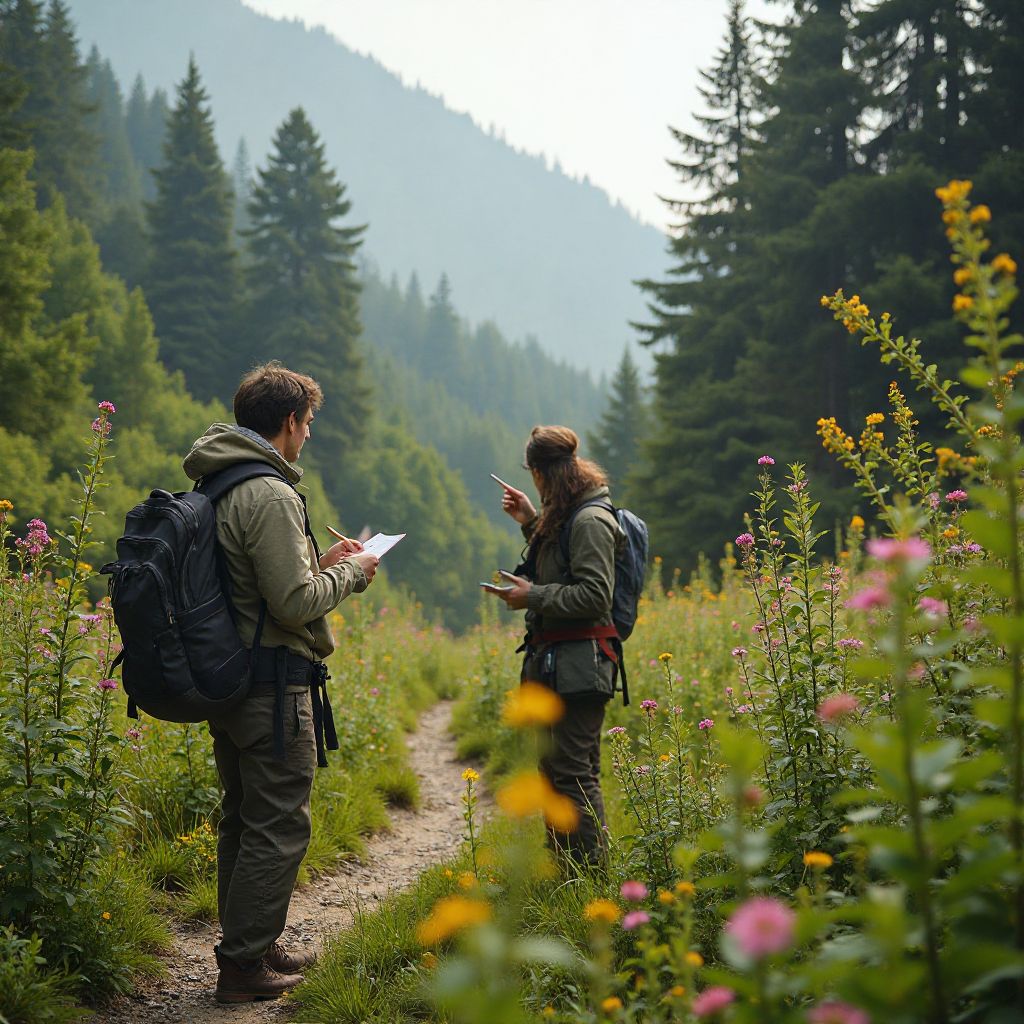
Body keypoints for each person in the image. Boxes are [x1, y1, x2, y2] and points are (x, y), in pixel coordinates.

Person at [182, 362, 379, 1003]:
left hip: (232, 678)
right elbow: (294, 604)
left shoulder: (221, 482)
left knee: (243, 819)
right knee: (279, 825)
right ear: (289, 423)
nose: (310, 435)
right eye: (309, 423)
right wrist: (355, 573)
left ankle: (251, 944)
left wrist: (323, 562)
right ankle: (242, 966)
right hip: (272, 688)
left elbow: (260, 585)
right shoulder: (268, 492)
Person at [489, 425, 624, 867]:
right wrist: (531, 522)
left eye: (532, 473)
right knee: (558, 772)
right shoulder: (569, 513)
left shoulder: (590, 520)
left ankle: (589, 880)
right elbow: (561, 566)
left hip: (581, 669)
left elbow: (593, 595)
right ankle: (568, 872)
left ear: (542, 471)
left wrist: (532, 596)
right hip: (559, 666)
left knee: (573, 776)